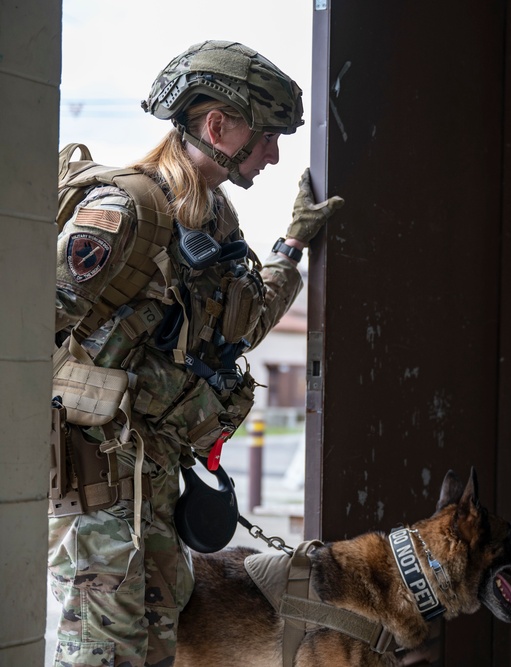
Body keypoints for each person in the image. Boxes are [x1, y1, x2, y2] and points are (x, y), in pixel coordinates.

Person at [47, 40, 343, 667]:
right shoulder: (123, 213)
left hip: (155, 487)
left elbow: (244, 322)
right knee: (105, 656)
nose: (273, 153)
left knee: (162, 649)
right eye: (266, 136)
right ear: (217, 126)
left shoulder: (214, 221)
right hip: (101, 490)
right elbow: (26, 328)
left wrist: (290, 248)